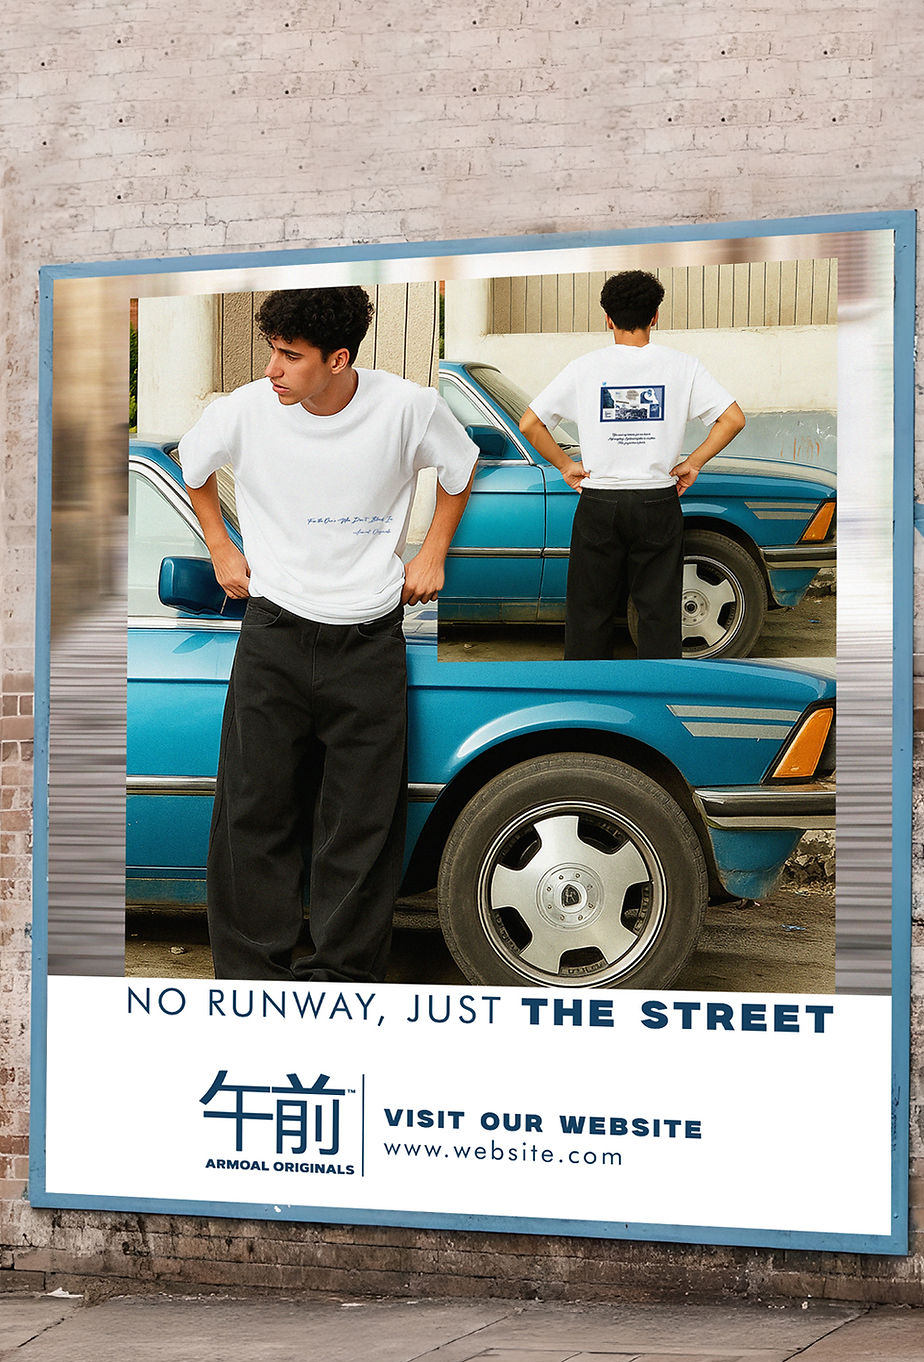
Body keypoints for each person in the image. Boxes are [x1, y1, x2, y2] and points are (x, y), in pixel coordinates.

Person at [179, 285, 478, 982]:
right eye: (272, 352)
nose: (272, 370)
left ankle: (341, 980)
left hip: (369, 639)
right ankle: (253, 979)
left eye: (290, 356)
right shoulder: (246, 412)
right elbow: (193, 467)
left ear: (339, 358)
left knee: (360, 827)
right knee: (254, 816)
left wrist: (432, 551)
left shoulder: (407, 409)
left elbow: (460, 471)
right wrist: (222, 548)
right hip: (274, 634)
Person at [518, 269, 745, 660]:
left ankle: (587, 699)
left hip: (599, 503)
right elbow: (733, 419)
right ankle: (658, 696)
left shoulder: (583, 368)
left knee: (589, 612)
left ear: (608, 318)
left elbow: (530, 423)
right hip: (658, 500)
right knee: (658, 614)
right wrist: (693, 462)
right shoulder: (684, 366)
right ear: (655, 315)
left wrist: (564, 465)